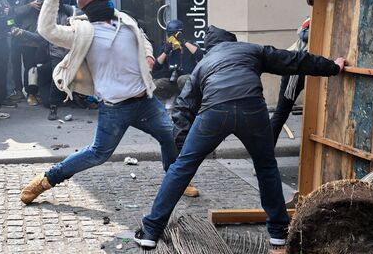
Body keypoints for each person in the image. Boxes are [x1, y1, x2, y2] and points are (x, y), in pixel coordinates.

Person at [135, 25, 346, 250]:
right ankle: (279, 234)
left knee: (181, 167)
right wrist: (332, 66)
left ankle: (151, 231)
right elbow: (293, 60)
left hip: (214, 112)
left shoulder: (204, 64)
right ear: (232, 41)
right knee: (266, 168)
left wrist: (183, 144)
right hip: (252, 108)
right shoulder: (250, 49)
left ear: (210, 47)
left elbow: (183, 107)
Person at [20, 0, 178, 204]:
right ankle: (47, 179)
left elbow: (142, 37)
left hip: (146, 101)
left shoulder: (125, 20)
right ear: (91, 6)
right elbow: (47, 30)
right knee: (98, 153)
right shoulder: (82, 33)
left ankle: (175, 182)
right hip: (115, 109)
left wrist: (149, 55)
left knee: (170, 137)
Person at [11, 0, 72, 120]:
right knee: (46, 77)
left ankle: (60, 105)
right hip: (51, 54)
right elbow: (39, 37)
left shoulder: (68, 11)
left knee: (62, 76)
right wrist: (22, 32)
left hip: (66, 53)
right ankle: (45, 101)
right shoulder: (45, 17)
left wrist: (72, 22)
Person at [11, 0, 50, 106]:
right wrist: (30, 5)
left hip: (43, 36)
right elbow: (14, 12)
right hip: (26, 37)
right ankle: (30, 93)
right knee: (29, 66)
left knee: (40, 66)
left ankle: (39, 91)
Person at [271, 18, 310, 146]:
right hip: (296, 69)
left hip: (303, 66)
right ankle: (264, 153)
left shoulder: (312, 17)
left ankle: (264, 153)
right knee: (281, 113)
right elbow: (305, 37)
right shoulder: (315, 17)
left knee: (281, 113)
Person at [153, 19, 204, 108]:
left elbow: (200, 56)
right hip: (172, 82)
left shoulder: (189, 45)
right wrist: (165, 52)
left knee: (182, 79)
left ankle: (187, 102)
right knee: (153, 84)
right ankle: (170, 98)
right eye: (170, 35)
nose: (172, 38)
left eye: (174, 34)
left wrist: (183, 42)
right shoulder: (167, 47)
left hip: (187, 81)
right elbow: (156, 67)